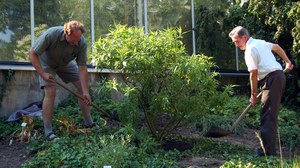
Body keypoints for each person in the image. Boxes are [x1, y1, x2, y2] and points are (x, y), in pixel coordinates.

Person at [229, 26, 294, 156]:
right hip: (273, 78)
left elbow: (253, 74)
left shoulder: (250, 50)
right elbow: (276, 47)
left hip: (273, 79)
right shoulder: (260, 42)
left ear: (244, 37)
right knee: (267, 114)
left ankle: (268, 152)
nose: (236, 45)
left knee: (268, 115)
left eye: (237, 41)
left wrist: (253, 95)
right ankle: (267, 149)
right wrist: (287, 62)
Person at [29, 20, 99, 140]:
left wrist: (86, 92)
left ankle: (89, 123)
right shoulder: (51, 34)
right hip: (46, 63)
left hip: (65, 64)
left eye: (79, 39)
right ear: (67, 33)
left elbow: (82, 68)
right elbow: (32, 52)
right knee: (50, 92)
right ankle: (48, 131)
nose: (77, 42)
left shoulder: (81, 43)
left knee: (82, 90)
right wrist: (43, 73)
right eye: (74, 39)